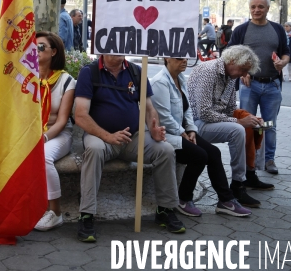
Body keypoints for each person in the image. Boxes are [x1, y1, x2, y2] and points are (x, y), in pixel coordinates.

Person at [75, 55, 181, 242]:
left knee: (165, 150)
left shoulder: (136, 71)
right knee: (94, 150)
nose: (117, 51)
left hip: (132, 137)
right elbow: (81, 115)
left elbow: (148, 108)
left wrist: (155, 129)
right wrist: (108, 136)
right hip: (101, 136)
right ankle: (86, 215)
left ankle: (165, 209)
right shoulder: (89, 72)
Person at [150, 57, 252, 217]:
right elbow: (164, 116)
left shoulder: (180, 78)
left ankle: (226, 200)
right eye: (179, 59)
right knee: (199, 156)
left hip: (182, 131)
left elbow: (187, 109)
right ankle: (184, 198)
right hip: (165, 135)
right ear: (167, 59)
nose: (184, 61)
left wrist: (191, 130)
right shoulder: (160, 82)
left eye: (186, 58)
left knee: (214, 153)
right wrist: (182, 133)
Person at [187, 45, 273, 209]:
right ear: (232, 61)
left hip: (209, 121)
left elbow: (230, 109)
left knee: (252, 125)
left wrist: (249, 119)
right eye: (243, 69)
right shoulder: (209, 71)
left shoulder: (230, 75)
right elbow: (203, 112)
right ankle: (238, 184)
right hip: (194, 125)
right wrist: (239, 122)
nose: (244, 74)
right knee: (238, 129)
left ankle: (249, 173)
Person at [226, 0, 289, 175]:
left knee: (269, 124)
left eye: (260, 7)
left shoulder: (277, 29)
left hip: (272, 85)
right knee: (248, 124)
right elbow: (229, 54)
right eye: (253, 7)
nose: (256, 10)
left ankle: (269, 159)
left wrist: (282, 63)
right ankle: (248, 162)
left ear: (268, 9)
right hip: (249, 86)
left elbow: (285, 53)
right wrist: (242, 72)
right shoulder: (241, 30)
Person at [34, 32, 76, 231]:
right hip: (31, 133)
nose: (36, 50)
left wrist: (44, 137)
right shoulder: (27, 78)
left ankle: (56, 212)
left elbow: (62, 120)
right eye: (33, 46)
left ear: (54, 51)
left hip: (58, 134)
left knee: (43, 157)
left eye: (41, 46)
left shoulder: (66, 81)